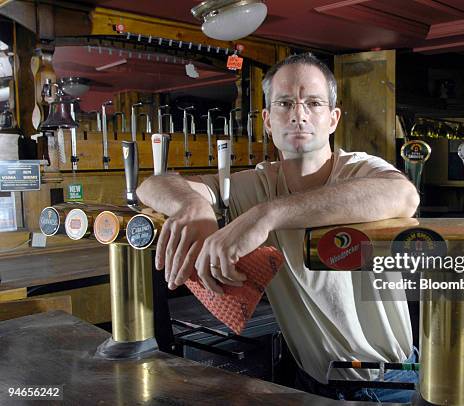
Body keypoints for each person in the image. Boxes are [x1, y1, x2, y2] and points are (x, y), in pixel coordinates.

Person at [136, 53, 420, 402]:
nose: (299, 114)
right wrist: (194, 206)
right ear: (268, 121)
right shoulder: (254, 184)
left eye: (313, 103)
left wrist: (266, 216)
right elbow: (153, 185)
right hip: (308, 380)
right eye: (285, 103)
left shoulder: (358, 170)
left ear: (333, 119)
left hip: (388, 383)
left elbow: (404, 195)